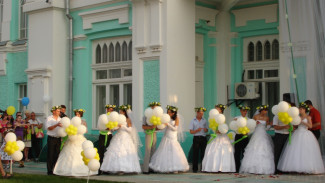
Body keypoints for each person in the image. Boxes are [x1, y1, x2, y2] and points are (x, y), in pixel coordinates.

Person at [277, 102, 325, 174]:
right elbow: (296, 125)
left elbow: (310, 126)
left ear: (305, 110)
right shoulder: (297, 117)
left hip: (305, 133)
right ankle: (295, 167)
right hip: (297, 133)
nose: (300, 110)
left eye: (301, 109)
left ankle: (307, 168)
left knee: (305, 151)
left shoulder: (308, 117)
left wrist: (302, 122)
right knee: (295, 150)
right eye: (299, 109)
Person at [54, 109, 97, 176]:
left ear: (81, 115)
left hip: (80, 138)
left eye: (78, 114)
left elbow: (85, 130)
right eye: (76, 114)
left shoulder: (83, 121)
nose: (77, 115)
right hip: (72, 138)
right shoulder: (72, 121)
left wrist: (78, 130)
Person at [100, 105, 141, 174]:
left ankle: (125, 168)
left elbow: (130, 130)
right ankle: (114, 168)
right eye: (120, 111)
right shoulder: (118, 118)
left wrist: (123, 126)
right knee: (115, 151)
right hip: (118, 136)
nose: (120, 112)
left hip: (125, 137)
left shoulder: (128, 119)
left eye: (121, 111)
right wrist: (115, 127)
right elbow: (114, 128)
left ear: (124, 112)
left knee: (124, 151)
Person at [149, 105, 189, 173]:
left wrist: (168, 124)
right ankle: (166, 168)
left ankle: (175, 168)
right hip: (166, 136)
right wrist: (160, 127)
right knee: (164, 151)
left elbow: (175, 129)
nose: (168, 113)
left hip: (173, 137)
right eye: (168, 112)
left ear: (173, 113)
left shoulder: (176, 118)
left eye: (170, 112)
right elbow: (164, 126)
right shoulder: (167, 118)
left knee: (174, 152)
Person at [240, 105, 275, 174]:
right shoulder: (256, 117)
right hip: (256, 133)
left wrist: (270, 124)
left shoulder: (267, 118)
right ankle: (252, 168)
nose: (265, 112)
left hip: (263, 134)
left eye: (266, 110)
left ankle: (264, 169)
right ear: (261, 110)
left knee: (264, 149)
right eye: (264, 110)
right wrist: (255, 123)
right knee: (254, 148)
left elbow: (267, 128)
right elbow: (251, 125)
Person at [202, 104, 235, 173]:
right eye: (215, 108)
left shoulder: (223, 117)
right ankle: (212, 167)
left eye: (217, 108)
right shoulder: (213, 117)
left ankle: (224, 167)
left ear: (221, 110)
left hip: (222, 136)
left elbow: (224, 126)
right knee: (213, 150)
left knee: (223, 150)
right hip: (215, 135)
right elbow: (212, 125)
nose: (216, 109)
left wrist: (221, 130)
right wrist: (215, 130)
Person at [142, 102, 161, 174]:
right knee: (148, 151)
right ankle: (145, 169)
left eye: (156, 107)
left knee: (153, 151)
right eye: (154, 107)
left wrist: (158, 127)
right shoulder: (146, 115)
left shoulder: (158, 116)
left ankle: (152, 168)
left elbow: (158, 127)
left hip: (154, 134)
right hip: (148, 134)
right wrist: (150, 127)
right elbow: (143, 126)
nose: (155, 109)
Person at [97, 104, 116, 175]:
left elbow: (114, 126)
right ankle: (99, 169)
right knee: (101, 151)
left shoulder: (113, 118)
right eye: (109, 109)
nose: (110, 111)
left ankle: (106, 169)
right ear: (107, 109)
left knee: (108, 152)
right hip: (102, 135)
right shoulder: (103, 117)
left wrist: (112, 128)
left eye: (112, 110)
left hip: (109, 135)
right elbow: (99, 126)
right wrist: (105, 128)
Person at [273, 102, 291, 174]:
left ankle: (284, 169)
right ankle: (276, 169)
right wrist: (284, 127)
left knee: (285, 153)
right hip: (279, 135)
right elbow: (275, 127)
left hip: (287, 135)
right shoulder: (276, 116)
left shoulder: (289, 116)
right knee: (277, 152)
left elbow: (291, 125)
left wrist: (291, 128)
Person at [189, 107, 208, 173]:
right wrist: (197, 130)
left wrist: (206, 130)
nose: (201, 115)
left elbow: (207, 129)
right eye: (200, 113)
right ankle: (195, 169)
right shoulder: (193, 120)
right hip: (196, 138)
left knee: (203, 153)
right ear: (197, 113)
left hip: (203, 138)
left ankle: (203, 168)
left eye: (202, 113)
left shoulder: (204, 120)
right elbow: (191, 131)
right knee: (195, 154)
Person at [45, 106, 62, 175]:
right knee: (50, 154)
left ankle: (54, 169)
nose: (59, 112)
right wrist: (57, 125)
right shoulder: (49, 118)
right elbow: (49, 128)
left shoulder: (60, 119)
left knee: (56, 154)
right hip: (51, 138)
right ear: (53, 111)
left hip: (58, 138)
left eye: (59, 111)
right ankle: (49, 170)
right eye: (57, 111)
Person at [233, 105, 250, 173]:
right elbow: (234, 126)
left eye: (246, 111)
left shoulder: (248, 119)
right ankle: (237, 168)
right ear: (240, 111)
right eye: (243, 111)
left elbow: (250, 128)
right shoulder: (236, 118)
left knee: (244, 153)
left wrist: (247, 132)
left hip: (245, 137)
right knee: (237, 153)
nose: (245, 112)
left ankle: (243, 168)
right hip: (238, 136)